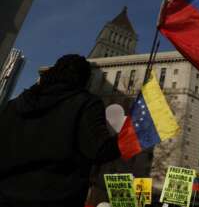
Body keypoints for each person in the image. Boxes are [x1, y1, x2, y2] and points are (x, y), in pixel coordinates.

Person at [0, 54, 131, 207]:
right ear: (84, 80)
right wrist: (135, 132)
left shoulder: (12, 106)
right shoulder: (86, 103)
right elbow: (99, 150)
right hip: (57, 199)